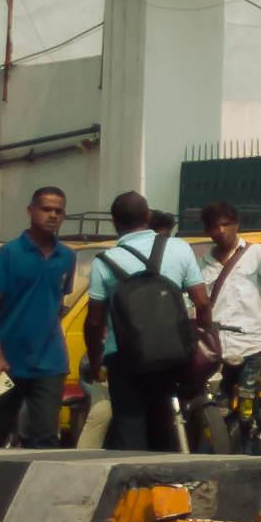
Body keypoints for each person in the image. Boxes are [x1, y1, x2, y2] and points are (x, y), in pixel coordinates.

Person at [81, 189, 202, 455]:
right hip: (172, 354)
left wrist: (96, 358)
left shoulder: (105, 261)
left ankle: (133, 490)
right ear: (147, 216)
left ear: (114, 222)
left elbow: (94, 321)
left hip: (125, 358)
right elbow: (202, 302)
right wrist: (201, 338)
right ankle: (169, 486)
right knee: (166, 421)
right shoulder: (179, 249)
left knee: (129, 425)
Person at [0, 185, 80, 448]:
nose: (52, 215)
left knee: (45, 437)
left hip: (49, 364)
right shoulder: (8, 254)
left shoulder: (67, 257)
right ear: (30, 211)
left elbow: (57, 303)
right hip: (5, 365)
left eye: (58, 210)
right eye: (46, 209)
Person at [192, 203, 261, 454]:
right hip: (215, 350)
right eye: (214, 226)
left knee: (247, 412)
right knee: (214, 412)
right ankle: (212, 463)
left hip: (251, 346)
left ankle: (249, 461)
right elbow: (191, 305)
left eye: (225, 224)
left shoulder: (258, 254)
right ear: (208, 231)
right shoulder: (201, 264)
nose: (220, 231)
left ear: (236, 224)